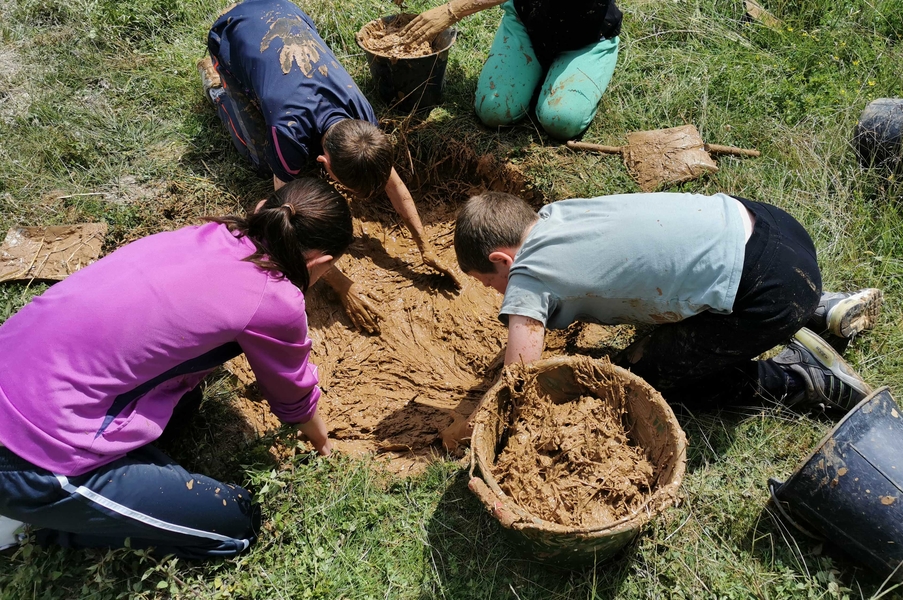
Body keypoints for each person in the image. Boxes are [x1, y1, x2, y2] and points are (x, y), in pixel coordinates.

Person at [0, 177, 353, 559]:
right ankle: (32, 534)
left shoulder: (209, 233)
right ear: (322, 263)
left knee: (185, 401)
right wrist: (324, 445)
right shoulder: (275, 298)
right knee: (236, 524)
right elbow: (293, 396)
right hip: (31, 454)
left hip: (21, 373)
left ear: (262, 208)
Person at [453, 190, 884, 415]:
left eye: (489, 283)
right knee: (699, 279)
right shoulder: (556, 215)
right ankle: (821, 308)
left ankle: (799, 379)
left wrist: (472, 422)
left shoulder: (526, 273)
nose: (498, 294)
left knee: (644, 379)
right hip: (771, 228)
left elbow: (519, 378)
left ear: (501, 259)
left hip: (768, 290)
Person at [199, 0, 459, 334]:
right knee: (261, 160)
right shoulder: (288, 132)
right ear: (323, 165)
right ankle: (215, 83)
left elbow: (391, 181)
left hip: (286, 12)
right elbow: (287, 218)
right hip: (235, 32)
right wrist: (342, 285)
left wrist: (423, 246)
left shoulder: (363, 118)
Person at [402, 0, 622, 140]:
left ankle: (583, 66)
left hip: (587, 36)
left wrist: (453, 10)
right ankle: (536, 71)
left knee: (561, 121)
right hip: (529, 22)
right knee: (494, 110)